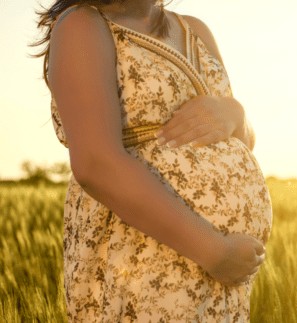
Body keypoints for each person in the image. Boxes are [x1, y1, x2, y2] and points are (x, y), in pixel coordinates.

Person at [34, 0, 273, 321]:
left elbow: (241, 142)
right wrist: (213, 250)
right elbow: (96, 163)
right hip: (143, 260)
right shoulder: (83, 26)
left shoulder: (195, 30)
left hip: (219, 281)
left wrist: (235, 115)